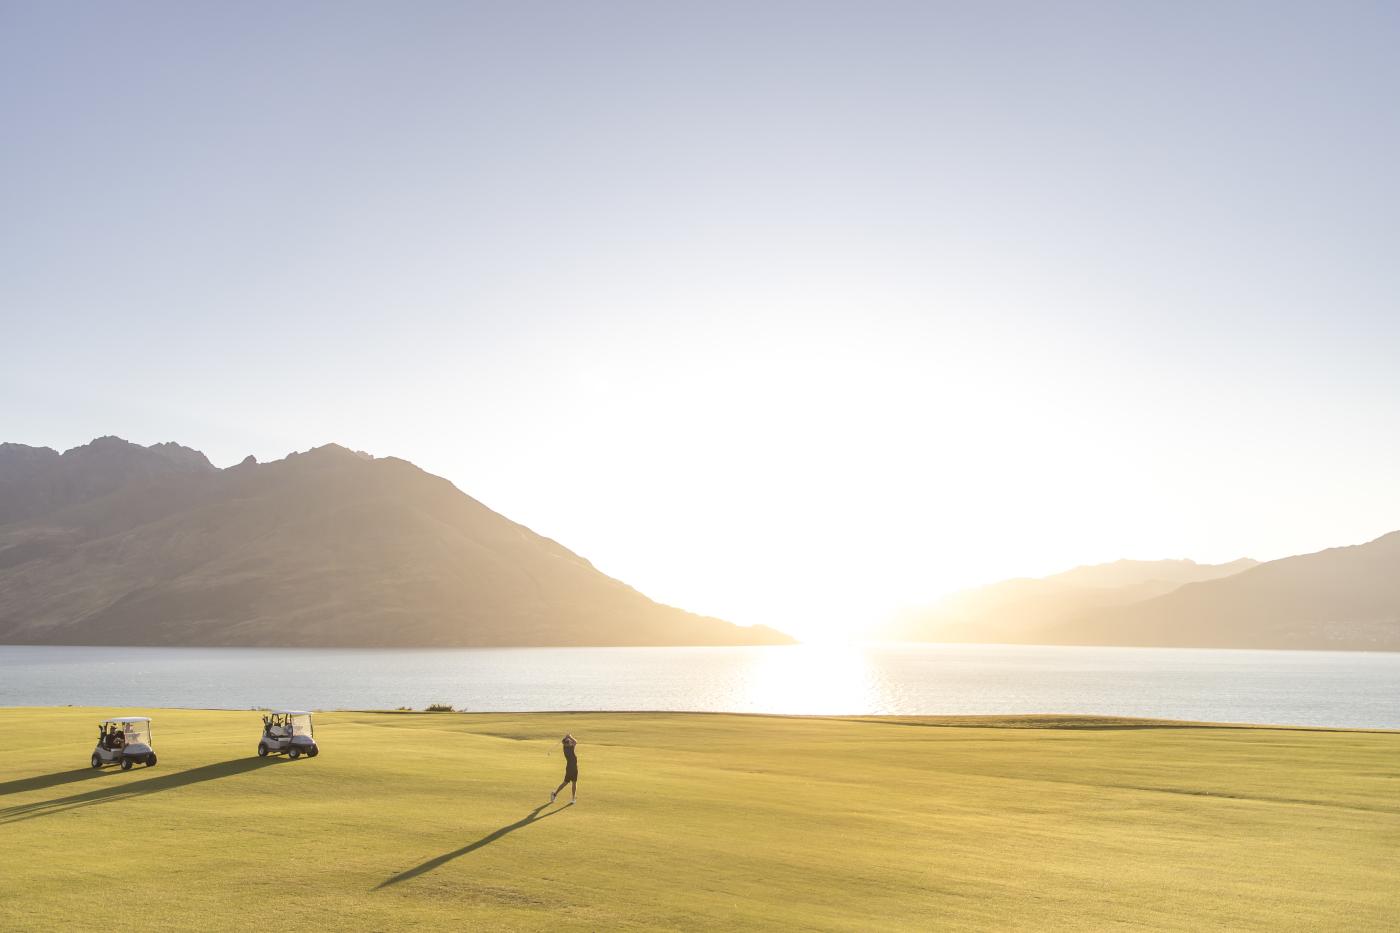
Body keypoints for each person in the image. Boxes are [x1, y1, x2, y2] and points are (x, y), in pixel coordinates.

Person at [550, 734, 578, 804]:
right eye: (568, 742)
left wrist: (567, 738)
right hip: (571, 768)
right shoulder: (569, 748)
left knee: (569, 782)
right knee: (569, 782)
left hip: (571, 767)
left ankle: (556, 794)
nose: (570, 742)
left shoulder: (565, 747)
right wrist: (570, 736)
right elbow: (575, 742)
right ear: (566, 744)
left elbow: (568, 742)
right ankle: (556, 794)